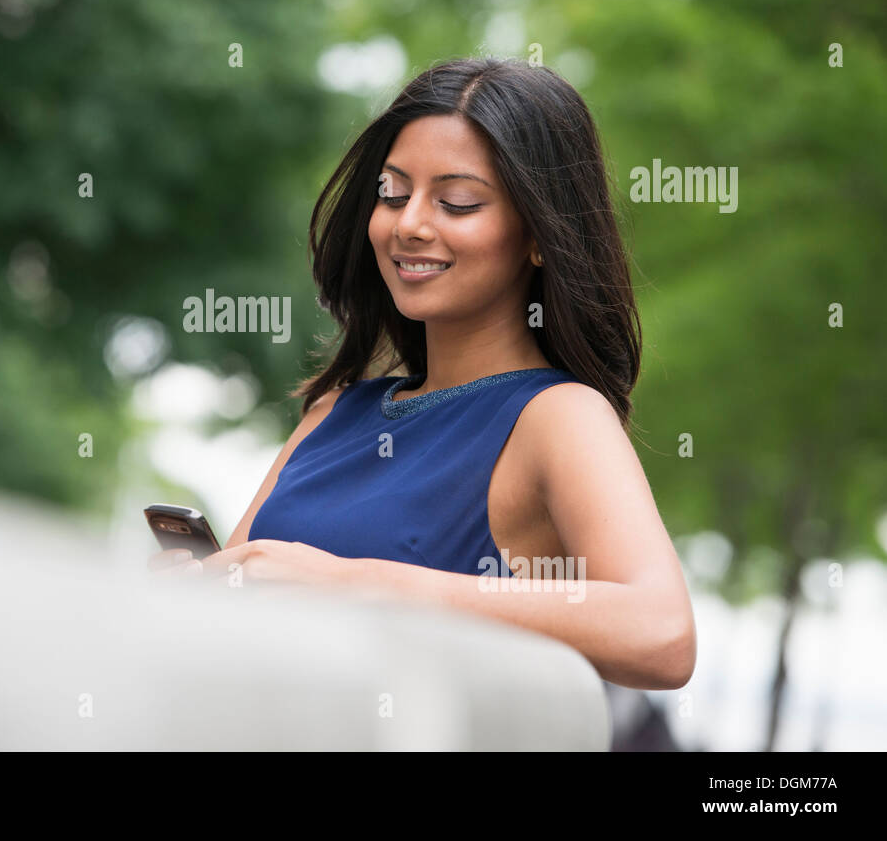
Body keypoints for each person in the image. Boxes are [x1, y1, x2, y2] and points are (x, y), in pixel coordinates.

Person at [149, 56, 695, 691]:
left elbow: (662, 632)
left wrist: (358, 584)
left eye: (457, 202)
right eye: (393, 193)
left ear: (539, 236)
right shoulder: (333, 413)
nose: (409, 224)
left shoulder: (556, 416)